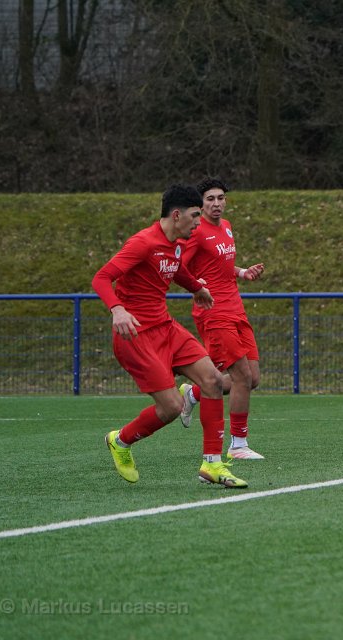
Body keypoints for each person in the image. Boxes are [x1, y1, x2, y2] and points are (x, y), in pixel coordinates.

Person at [91, 184, 248, 488]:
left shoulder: (176, 243)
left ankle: (212, 464)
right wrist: (117, 310)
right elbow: (101, 278)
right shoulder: (143, 243)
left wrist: (197, 288)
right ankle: (120, 441)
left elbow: (175, 269)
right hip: (136, 335)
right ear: (177, 215)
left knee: (213, 381)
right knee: (172, 408)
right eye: (194, 215)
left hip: (165, 328)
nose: (198, 222)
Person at [177, 178, 265, 460]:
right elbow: (177, 266)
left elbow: (220, 264)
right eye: (210, 199)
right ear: (201, 204)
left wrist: (242, 272)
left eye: (221, 198)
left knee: (252, 379)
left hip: (236, 308)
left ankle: (193, 394)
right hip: (214, 312)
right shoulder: (196, 231)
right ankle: (238, 445)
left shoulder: (226, 226)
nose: (217, 204)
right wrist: (195, 285)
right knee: (241, 376)